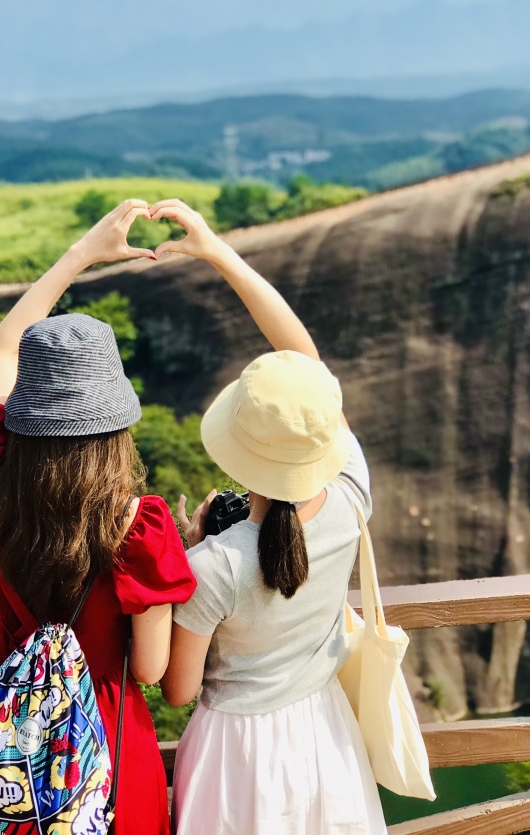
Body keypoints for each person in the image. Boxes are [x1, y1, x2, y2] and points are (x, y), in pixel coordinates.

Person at [0, 198, 197, 835]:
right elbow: (150, 670)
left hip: (2, 756)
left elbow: (1, 350)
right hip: (105, 754)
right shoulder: (138, 525)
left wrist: (80, 255)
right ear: (115, 424)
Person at [153, 199, 386, 835]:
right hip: (324, 734)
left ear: (238, 451)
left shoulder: (213, 566)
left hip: (235, 758)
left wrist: (192, 551)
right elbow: (306, 359)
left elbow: (177, 689)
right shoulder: (350, 498)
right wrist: (219, 251)